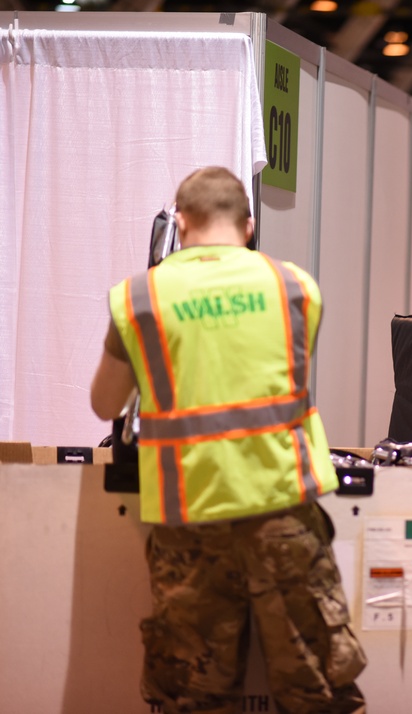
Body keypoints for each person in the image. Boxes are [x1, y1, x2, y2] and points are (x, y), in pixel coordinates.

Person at [90, 167, 366, 714]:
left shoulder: (139, 297)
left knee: (194, 695)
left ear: (181, 221)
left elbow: (104, 405)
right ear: (250, 224)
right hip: (284, 512)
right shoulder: (294, 287)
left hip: (189, 518)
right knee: (317, 690)